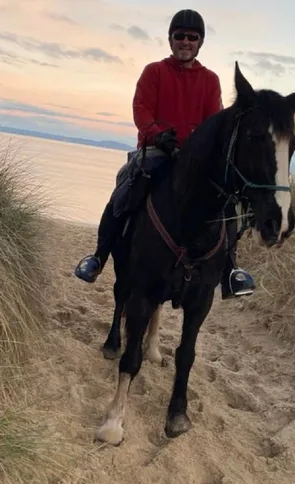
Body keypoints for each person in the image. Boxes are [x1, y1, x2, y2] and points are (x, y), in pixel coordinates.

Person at [73, 8, 255, 300]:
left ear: (200, 43)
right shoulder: (154, 71)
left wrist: (196, 145)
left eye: (192, 37)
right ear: (170, 40)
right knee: (124, 190)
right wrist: (155, 133)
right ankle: (98, 256)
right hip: (157, 149)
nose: (185, 41)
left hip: (194, 158)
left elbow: (214, 121)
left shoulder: (210, 80)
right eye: (179, 36)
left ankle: (231, 270)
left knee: (225, 202)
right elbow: (140, 107)